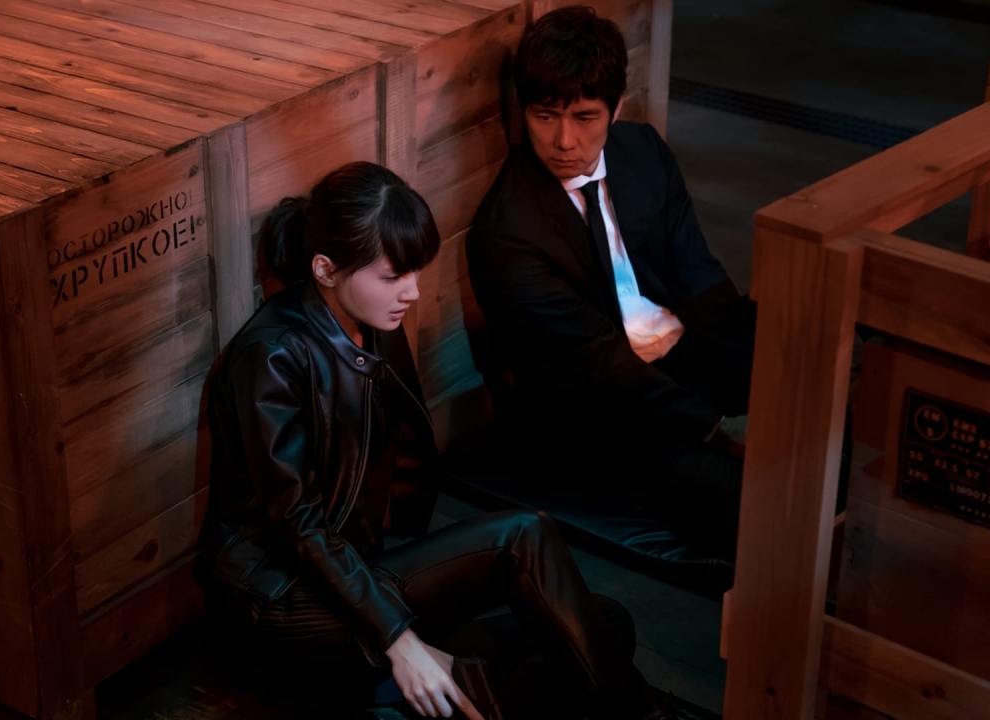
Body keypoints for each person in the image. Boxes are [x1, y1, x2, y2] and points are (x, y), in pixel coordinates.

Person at [194, 161, 694, 720]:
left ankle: (450, 696)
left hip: (353, 574)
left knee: (603, 627)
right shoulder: (271, 357)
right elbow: (300, 527)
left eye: (414, 272)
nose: (411, 292)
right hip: (279, 601)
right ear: (325, 269)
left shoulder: (371, 322)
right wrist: (401, 641)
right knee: (523, 538)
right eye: (392, 277)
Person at [466, 6, 757, 560]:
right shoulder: (507, 232)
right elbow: (597, 363)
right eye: (545, 116)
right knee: (755, 504)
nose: (564, 141)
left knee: (810, 404)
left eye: (585, 117)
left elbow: (698, 274)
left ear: (615, 108)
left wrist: (755, 379)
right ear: (524, 112)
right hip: (599, 408)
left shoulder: (642, 151)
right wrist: (718, 427)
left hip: (679, 353)